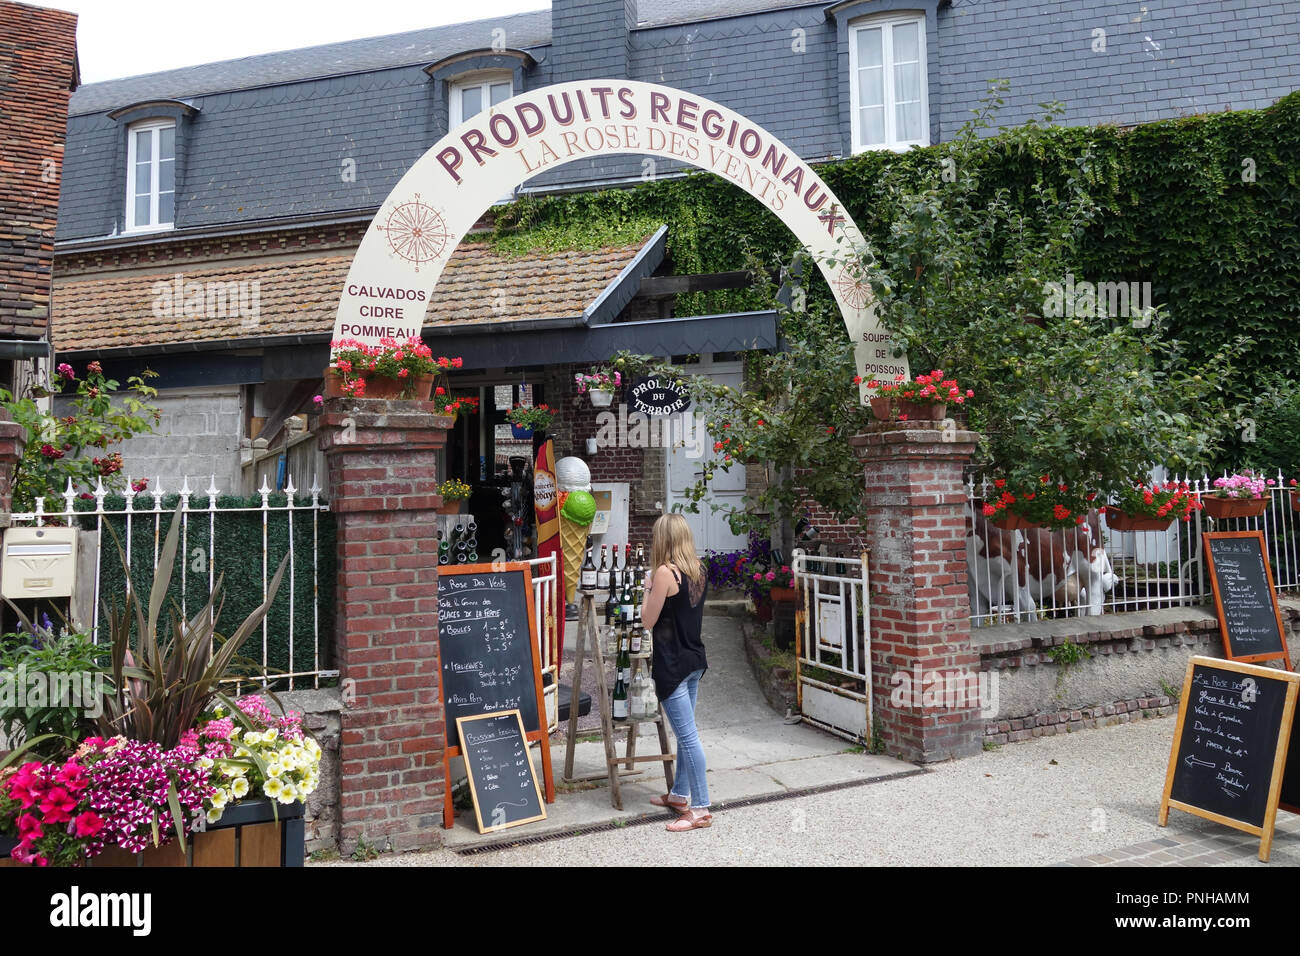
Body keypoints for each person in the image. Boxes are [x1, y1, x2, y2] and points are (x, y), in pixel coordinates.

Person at [640, 513, 711, 832]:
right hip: (694, 660)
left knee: (688, 737)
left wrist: (647, 589)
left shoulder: (665, 573)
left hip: (672, 665)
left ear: (664, 539)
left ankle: (700, 809)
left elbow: (647, 620)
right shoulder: (698, 569)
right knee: (686, 735)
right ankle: (680, 795)